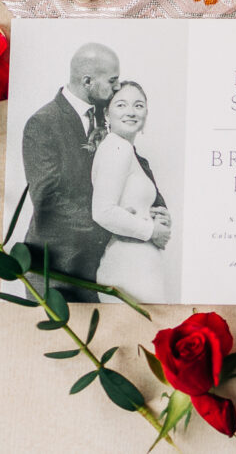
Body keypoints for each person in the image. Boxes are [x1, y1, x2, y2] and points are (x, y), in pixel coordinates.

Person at [22, 43, 130, 302]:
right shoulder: (43, 123)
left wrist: (153, 207)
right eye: (113, 81)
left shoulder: (109, 114)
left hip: (96, 263)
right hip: (56, 267)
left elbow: (130, 165)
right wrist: (116, 223)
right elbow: (48, 201)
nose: (118, 88)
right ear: (87, 81)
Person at [91, 81, 171, 304]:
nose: (131, 112)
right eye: (121, 105)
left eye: (138, 105)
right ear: (106, 113)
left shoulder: (125, 149)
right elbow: (103, 212)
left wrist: (159, 217)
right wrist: (151, 230)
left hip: (139, 264)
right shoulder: (118, 148)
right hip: (129, 266)